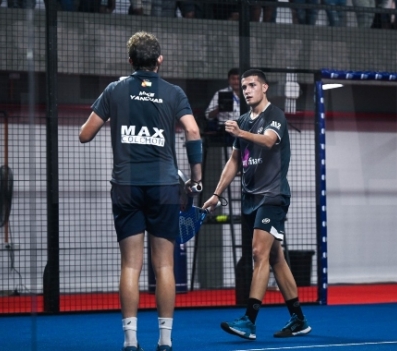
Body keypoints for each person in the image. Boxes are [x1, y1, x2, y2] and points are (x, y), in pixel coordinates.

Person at [79, 31, 202, 351]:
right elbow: (192, 130)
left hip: (126, 187)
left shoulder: (114, 89)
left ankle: (130, 341)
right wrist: (196, 178)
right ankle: (165, 340)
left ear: (130, 60)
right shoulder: (174, 93)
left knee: (130, 265)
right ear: (159, 60)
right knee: (164, 265)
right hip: (163, 188)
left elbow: (84, 134)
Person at [202, 69, 311, 341]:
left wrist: (240, 132)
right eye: (244, 87)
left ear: (264, 88)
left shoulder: (275, 115)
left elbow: (269, 141)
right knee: (275, 257)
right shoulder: (242, 120)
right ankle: (299, 319)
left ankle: (249, 321)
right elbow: (234, 162)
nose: (247, 90)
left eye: (252, 85)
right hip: (251, 199)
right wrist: (216, 194)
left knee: (258, 254)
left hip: (272, 195)